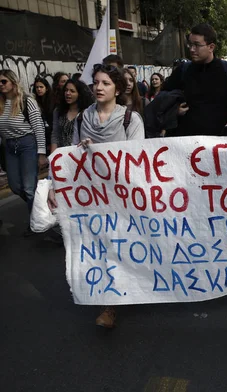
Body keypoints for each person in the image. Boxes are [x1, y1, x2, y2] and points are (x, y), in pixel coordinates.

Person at [48, 64, 145, 329]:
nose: (99, 88)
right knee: (102, 246)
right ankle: (109, 305)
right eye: (96, 83)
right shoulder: (82, 118)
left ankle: (133, 288)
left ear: (117, 89)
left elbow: (137, 159)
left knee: (121, 246)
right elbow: (73, 158)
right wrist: (56, 185)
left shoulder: (130, 120)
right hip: (92, 195)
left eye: (106, 83)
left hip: (122, 195)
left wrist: (103, 151)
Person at [162, 23, 227, 137]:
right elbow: (163, 98)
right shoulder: (182, 70)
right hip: (187, 145)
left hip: (221, 144)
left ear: (211, 47)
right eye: (190, 44)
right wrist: (174, 111)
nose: (192, 49)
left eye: (197, 45)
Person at [0, 70, 47, 235]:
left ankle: (37, 221)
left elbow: (39, 128)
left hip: (27, 143)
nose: (1, 85)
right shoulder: (0, 102)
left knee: (28, 187)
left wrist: (41, 153)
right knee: (14, 185)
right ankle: (42, 208)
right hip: (9, 146)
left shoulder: (26, 101)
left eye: (4, 81)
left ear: (13, 82)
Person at [50, 79, 95, 151]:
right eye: (66, 90)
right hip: (62, 153)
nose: (68, 93)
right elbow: (55, 135)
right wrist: (53, 156)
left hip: (79, 154)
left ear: (79, 94)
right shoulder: (58, 111)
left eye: (72, 91)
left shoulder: (86, 113)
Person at [32, 77, 55, 154]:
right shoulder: (34, 102)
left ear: (47, 88)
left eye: (41, 87)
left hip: (51, 136)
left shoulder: (53, 102)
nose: (39, 89)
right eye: (37, 87)